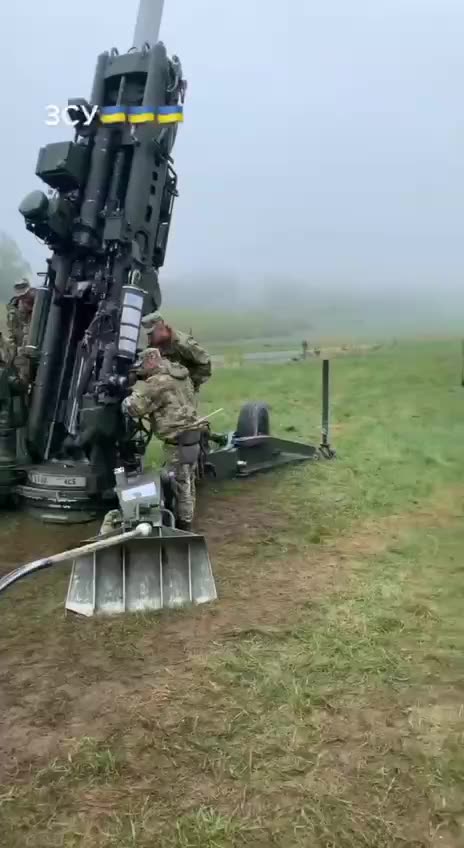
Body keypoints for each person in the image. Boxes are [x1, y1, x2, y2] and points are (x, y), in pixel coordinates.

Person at [120, 347, 200, 531]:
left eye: (143, 366)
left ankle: (183, 527)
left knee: (179, 486)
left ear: (149, 361)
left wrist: (127, 397)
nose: (142, 370)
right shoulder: (180, 374)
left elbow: (135, 408)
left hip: (177, 442)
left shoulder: (158, 382)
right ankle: (186, 519)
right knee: (188, 482)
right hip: (193, 437)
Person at [140, 314, 211, 395]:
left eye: (151, 334)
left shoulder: (183, 344)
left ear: (160, 327)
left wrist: (189, 384)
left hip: (183, 394)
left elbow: (205, 364)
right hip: (162, 393)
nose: (149, 338)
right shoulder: (153, 345)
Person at [7, 279, 35, 385]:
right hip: (20, 347)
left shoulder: (39, 301)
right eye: (21, 295)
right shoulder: (14, 311)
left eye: (25, 294)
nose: (24, 297)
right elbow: (12, 333)